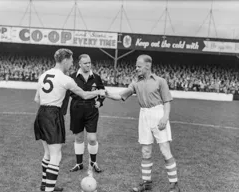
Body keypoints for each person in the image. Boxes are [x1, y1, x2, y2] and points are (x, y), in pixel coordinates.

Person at [33, 49, 105, 192]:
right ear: (65, 60)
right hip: (53, 115)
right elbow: (84, 95)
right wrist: (98, 92)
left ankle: (44, 184)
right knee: (56, 155)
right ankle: (49, 189)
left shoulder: (44, 75)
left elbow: (37, 99)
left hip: (41, 114)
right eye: (71, 60)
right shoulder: (66, 79)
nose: (72, 63)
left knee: (47, 153)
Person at [105, 55, 180, 192]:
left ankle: (174, 185)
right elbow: (121, 95)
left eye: (139, 66)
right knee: (145, 151)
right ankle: (146, 183)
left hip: (158, 114)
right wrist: (107, 94)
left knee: (165, 150)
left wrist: (165, 117)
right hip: (144, 115)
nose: (136, 68)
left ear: (147, 66)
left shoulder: (160, 81)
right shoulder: (136, 83)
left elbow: (167, 101)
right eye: (136, 66)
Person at [68, 54, 105, 173]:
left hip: (91, 110)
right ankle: (79, 164)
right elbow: (67, 93)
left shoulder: (96, 77)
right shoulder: (72, 77)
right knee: (78, 137)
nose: (88, 65)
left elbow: (102, 92)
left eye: (89, 62)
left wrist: (99, 101)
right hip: (76, 109)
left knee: (92, 138)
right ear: (79, 64)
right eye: (85, 63)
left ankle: (93, 162)